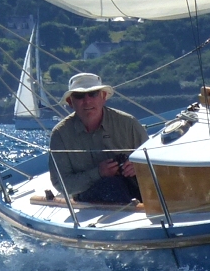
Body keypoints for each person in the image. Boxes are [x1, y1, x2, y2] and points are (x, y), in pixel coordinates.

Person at [48, 73, 149, 204]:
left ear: (103, 97)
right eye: (79, 96)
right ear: (70, 102)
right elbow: (60, 184)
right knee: (112, 185)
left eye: (93, 94)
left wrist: (138, 167)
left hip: (135, 187)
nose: (87, 101)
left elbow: (155, 161)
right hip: (89, 196)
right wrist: (99, 173)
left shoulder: (128, 123)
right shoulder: (60, 134)